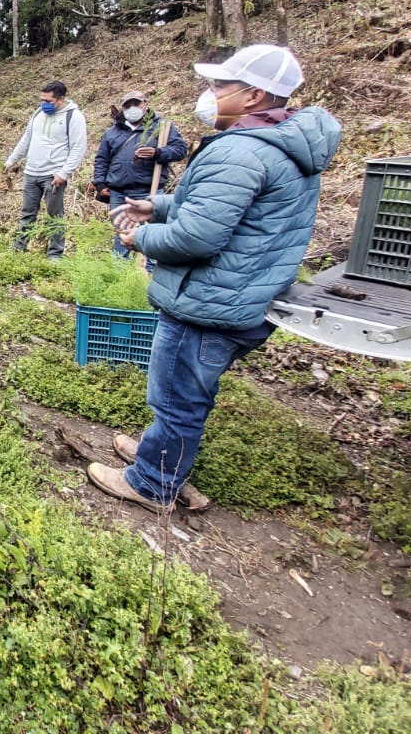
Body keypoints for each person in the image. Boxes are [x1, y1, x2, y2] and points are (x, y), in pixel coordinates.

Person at [86, 45, 341, 511]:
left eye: (220, 85)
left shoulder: (243, 152)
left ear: (253, 95)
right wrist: (158, 205)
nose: (210, 94)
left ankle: (153, 480)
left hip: (209, 298)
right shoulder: (284, 144)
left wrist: (140, 238)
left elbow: (196, 237)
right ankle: (160, 453)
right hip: (245, 295)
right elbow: (235, 212)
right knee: (188, 392)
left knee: (178, 396)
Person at [91, 91, 188, 258]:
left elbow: (180, 150)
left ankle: (150, 270)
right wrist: (100, 183)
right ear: (122, 109)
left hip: (149, 190)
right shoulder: (112, 132)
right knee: (122, 232)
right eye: (127, 105)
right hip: (119, 192)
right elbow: (101, 159)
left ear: (145, 104)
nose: (132, 108)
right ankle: (119, 271)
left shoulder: (161, 127)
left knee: (151, 232)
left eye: (136, 104)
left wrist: (158, 152)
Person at [4, 81, 88, 258]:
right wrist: (12, 160)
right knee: (27, 213)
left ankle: (55, 254)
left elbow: (78, 148)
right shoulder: (38, 114)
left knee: (55, 216)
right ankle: (19, 248)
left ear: (61, 99)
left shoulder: (73, 117)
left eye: (48, 101)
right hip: (31, 172)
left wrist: (63, 173)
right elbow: (26, 139)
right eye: (42, 100)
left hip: (53, 175)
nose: (44, 104)